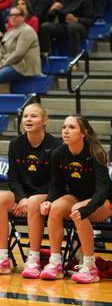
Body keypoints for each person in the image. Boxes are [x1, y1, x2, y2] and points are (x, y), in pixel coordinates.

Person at [0, 103, 61, 276]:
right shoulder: (16, 144)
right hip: (24, 196)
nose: (28, 119)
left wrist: (30, 199)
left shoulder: (56, 146)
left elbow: (56, 181)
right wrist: (21, 198)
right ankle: (3, 257)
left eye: (33, 116)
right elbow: (13, 178)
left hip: (48, 195)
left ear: (44, 120)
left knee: (34, 201)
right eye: (25, 116)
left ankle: (33, 260)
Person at [39, 115, 112, 284]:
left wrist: (86, 209)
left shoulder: (96, 152)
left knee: (77, 210)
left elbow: (103, 190)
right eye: (64, 127)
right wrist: (49, 200)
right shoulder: (59, 153)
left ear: (83, 133)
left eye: (71, 127)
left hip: (103, 202)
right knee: (56, 207)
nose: (65, 131)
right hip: (77, 199)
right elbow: (56, 184)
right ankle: (56, 262)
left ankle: (90, 267)